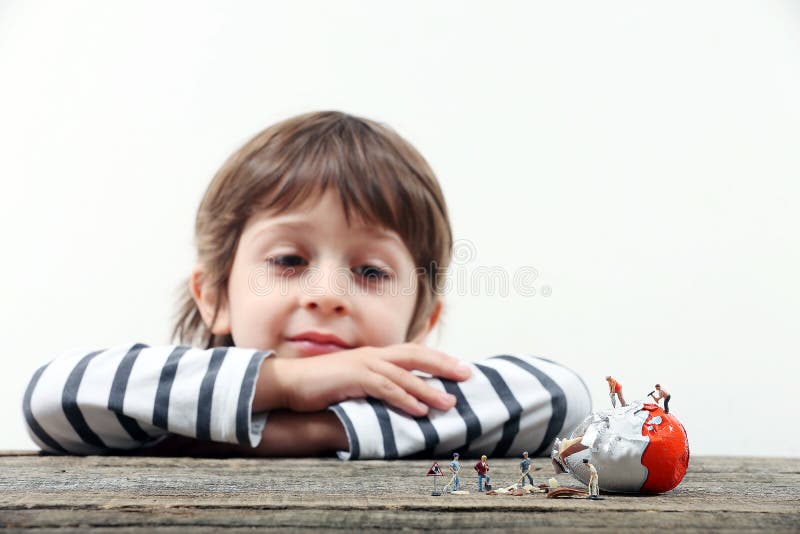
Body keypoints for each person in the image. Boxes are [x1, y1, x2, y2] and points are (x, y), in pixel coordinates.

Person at [21, 111, 592, 459]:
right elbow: (51, 395)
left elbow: (564, 398)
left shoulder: (423, 399)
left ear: (423, 322)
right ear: (214, 295)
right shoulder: (167, 400)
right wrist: (290, 384)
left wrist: (308, 431)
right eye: (289, 259)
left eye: (371, 272)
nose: (328, 293)